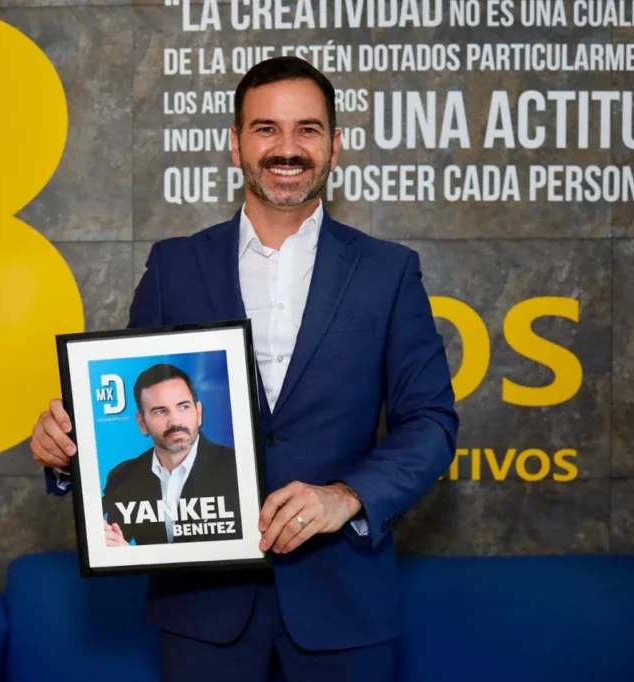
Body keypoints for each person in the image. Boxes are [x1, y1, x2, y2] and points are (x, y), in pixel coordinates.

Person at [31, 55, 458, 682]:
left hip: (345, 603)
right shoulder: (175, 266)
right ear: (236, 145)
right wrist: (69, 451)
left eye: (307, 129)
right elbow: (130, 408)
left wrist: (346, 497)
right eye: (266, 129)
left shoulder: (387, 271)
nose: (287, 148)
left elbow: (431, 422)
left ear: (335, 146)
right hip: (203, 607)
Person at [100, 363, 242, 547]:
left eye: (183, 407)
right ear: (142, 423)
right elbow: (111, 540)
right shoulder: (122, 477)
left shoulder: (236, 468)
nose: (175, 421)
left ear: (198, 413)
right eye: (160, 411)